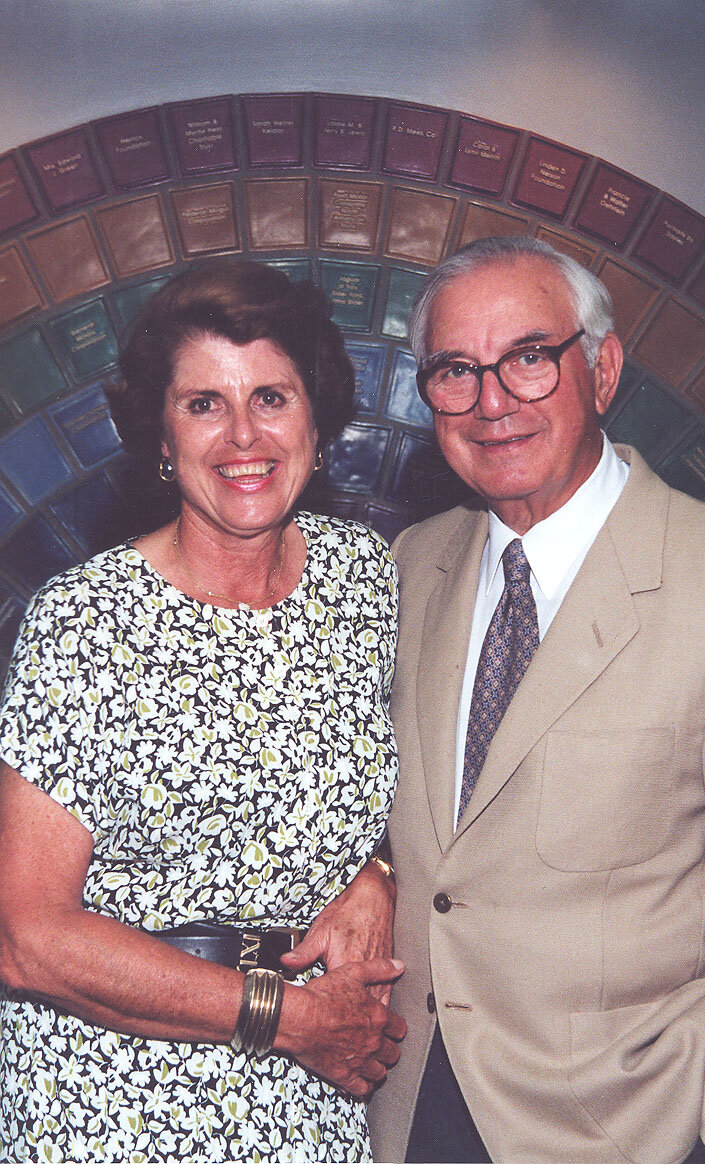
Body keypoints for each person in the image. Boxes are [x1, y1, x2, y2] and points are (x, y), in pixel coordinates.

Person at [367, 235, 705, 1164]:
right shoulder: (411, 567)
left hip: (628, 1130)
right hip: (405, 1112)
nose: (492, 401)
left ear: (603, 368)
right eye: (455, 371)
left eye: (527, 358)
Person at [0, 258, 405, 1163]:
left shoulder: (364, 581)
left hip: (310, 1100)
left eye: (271, 396)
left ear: (316, 416)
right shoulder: (85, 622)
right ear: (159, 432)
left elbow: (403, 785)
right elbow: (28, 936)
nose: (242, 436)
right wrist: (285, 1017)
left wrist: (374, 869)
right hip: (111, 1098)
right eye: (203, 404)